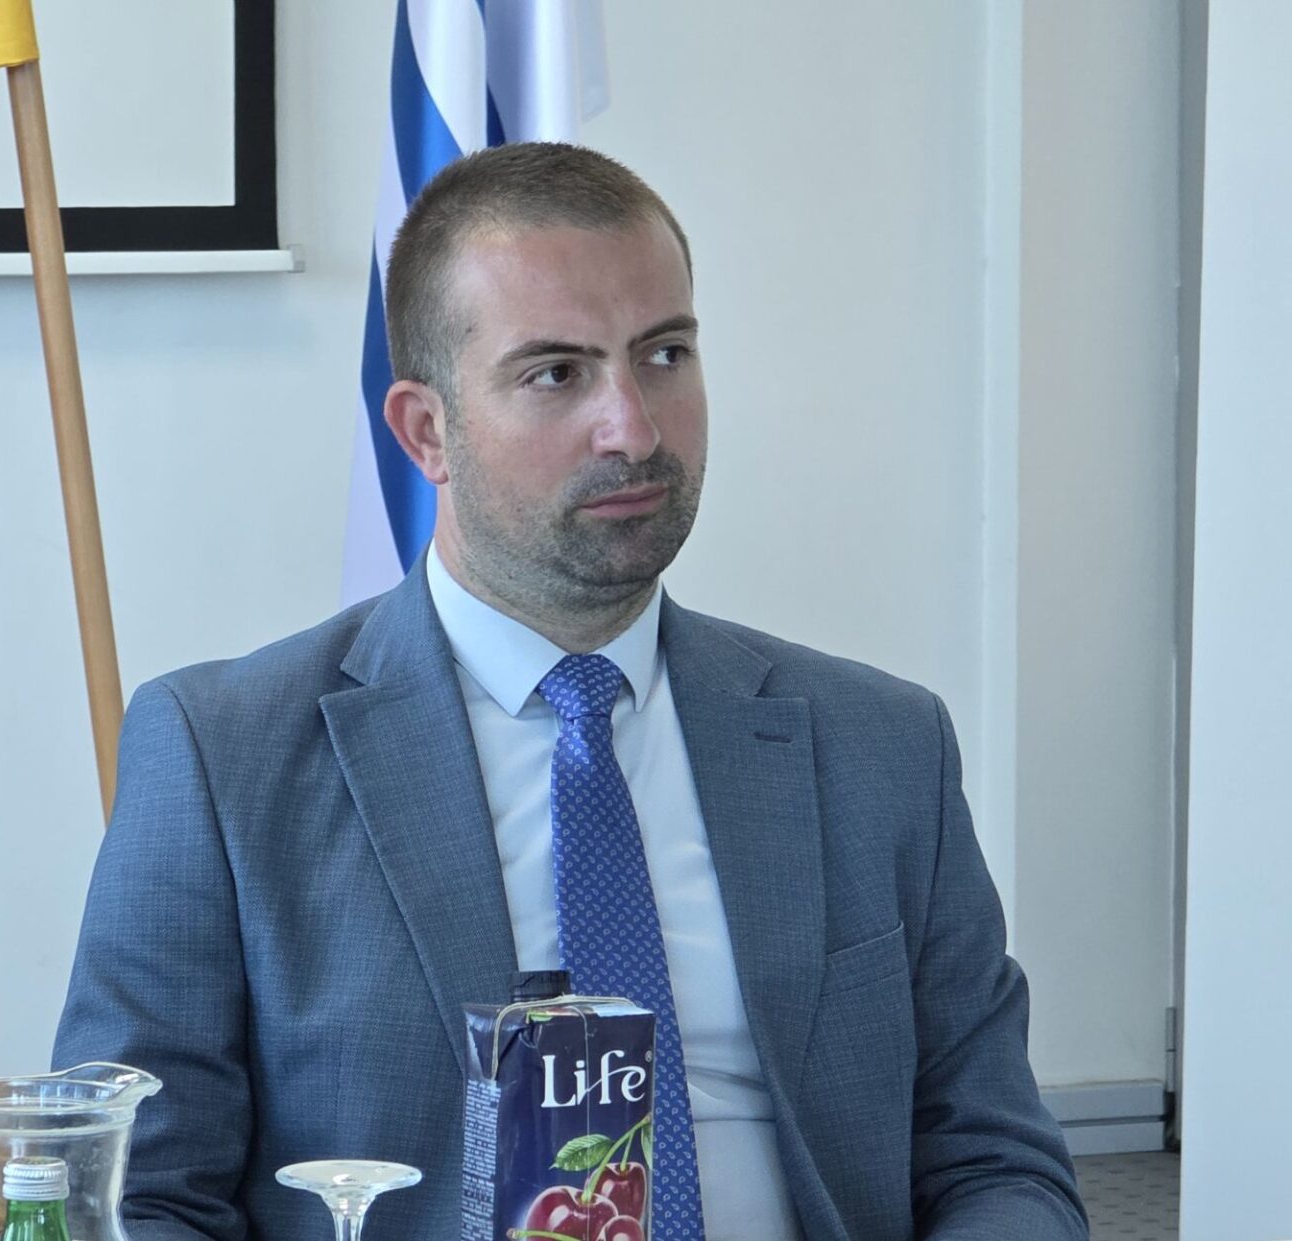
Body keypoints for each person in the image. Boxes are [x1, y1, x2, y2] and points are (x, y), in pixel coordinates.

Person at [54, 143, 1087, 1241]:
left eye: (665, 354)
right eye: (556, 373)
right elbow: (134, 1197)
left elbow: (998, 1165)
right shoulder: (223, 757)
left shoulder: (881, 746)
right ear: (426, 431)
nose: (634, 428)